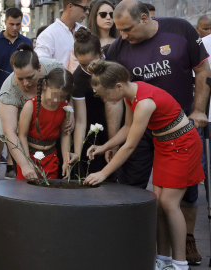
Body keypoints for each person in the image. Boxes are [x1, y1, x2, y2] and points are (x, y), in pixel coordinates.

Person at [107, 0, 211, 265]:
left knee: (184, 195)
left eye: (128, 28)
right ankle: (139, 244)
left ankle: (186, 240)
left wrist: (199, 110)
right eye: (120, 30)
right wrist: (112, 138)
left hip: (181, 126)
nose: (123, 35)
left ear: (144, 18)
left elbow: (203, 71)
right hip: (142, 129)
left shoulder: (180, 29)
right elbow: (116, 96)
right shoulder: (119, 47)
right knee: (135, 187)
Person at [84, 59, 203, 270]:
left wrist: (103, 173)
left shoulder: (144, 101)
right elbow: (128, 127)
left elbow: (130, 146)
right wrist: (104, 146)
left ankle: (180, 262)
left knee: (169, 204)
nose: (102, 98)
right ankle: (164, 258)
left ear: (118, 86)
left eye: (103, 94)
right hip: (165, 145)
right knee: (158, 203)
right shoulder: (132, 95)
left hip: (183, 146)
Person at [0, 7, 32, 181]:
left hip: (21, 93)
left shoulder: (26, 42)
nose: (15, 28)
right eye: (11, 24)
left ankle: (11, 167)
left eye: (18, 24)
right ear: (5, 21)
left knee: (16, 130)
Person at [0, 44, 65, 180]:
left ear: (39, 67)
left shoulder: (54, 68)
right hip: (23, 142)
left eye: (30, 77)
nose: (26, 83)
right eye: (20, 78)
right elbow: (10, 133)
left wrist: (71, 111)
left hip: (52, 139)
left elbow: (68, 90)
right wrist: (25, 165)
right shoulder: (9, 88)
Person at [72, 27, 119, 178]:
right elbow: (80, 121)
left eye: (92, 63)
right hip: (92, 129)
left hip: (116, 125)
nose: (88, 69)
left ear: (102, 54)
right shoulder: (78, 79)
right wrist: (77, 155)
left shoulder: (113, 66)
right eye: (83, 64)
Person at [18, 67, 77, 180]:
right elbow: (22, 135)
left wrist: (66, 160)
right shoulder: (31, 105)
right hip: (29, 155)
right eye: (54, 94)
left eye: (61, 97)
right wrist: (26, 162)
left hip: (51, 158)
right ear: (45, 85)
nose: (56, 100)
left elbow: (65, 135)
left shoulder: (64, 107)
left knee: (49, 193)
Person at [35, 0, 90, 68]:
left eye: (88, 8)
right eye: (85, 8)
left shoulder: (85, 30)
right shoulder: (48, 35)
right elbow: (41, 65)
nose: (87, 12)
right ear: (70, 6)